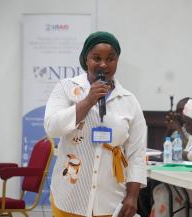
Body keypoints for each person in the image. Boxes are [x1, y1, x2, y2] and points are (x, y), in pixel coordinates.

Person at [44, 31, 147, 217]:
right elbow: (52, 127)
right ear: (86, 60)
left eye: (111, 59)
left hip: (111, 200)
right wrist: (88, 101)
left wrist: (133, 195)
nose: (103, 64)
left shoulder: (129, 101)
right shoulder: (66, 88)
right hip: (69, 197)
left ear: (117, 61)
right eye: (96, 58)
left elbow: (137, 154)